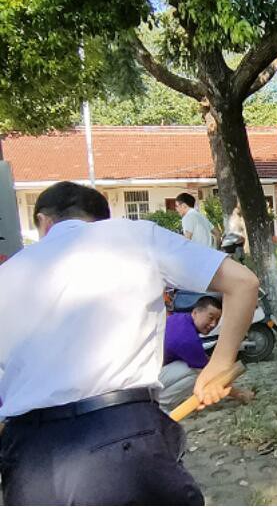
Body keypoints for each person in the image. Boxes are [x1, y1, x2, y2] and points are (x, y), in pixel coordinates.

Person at [0, 181, 259, 505]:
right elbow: (243, 282)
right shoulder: (133, 237)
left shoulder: (8, 273)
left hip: (29, 458)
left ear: (43, 222)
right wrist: (220, 364)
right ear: (102, 219)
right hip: (120, 438)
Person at [159, 295, 255, 412]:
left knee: (195, 365)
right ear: (195, 313)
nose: (213, 324)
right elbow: (208, 373)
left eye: (217, 320)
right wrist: (240, 393)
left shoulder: (178, 319)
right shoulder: (187, 340)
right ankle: (160, 405)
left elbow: (204, 359)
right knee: (194, 371)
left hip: (146, 373)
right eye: (210, 318)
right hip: (143, 383)